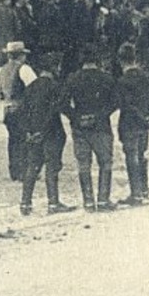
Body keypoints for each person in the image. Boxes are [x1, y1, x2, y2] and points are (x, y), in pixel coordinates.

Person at [57, 46, 123, 212]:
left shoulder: (73, 79)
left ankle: (88, 201)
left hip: (80, 127)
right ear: (98, 61)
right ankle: (103, 199)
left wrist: (76, 117)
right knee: (105, 162)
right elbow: (116, 102)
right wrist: (100, 115)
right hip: (101, 126)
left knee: (84, 164)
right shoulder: (106, 78)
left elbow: (62, 104)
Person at [16, 61, 72, 215]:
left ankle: (25, 203)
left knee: (32, 167)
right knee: (52, 167)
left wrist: (28, 131)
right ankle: (53, 203)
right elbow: (57, 109)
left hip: (33, 134)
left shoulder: (30, 87)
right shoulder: (55, 87)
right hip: (52, 132)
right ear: (53, 69)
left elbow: (22, 112)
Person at [115, 43, 149, 204]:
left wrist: (142, 118)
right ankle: (144, 189)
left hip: (130, 124)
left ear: (120, 61)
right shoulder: (145, 77)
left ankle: (136, 193)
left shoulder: (123, 81)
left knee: (131, 158)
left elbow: (127, 106)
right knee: (141, 156)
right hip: (145, 125)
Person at [0, 40, 39, 181]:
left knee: (13, 140)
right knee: (26, 139)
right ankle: (25, 171)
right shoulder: (24, 69)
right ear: (21, 56)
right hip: (23, 108)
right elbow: (35, 86)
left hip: (7, 108)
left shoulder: (1, 70)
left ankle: (15, 171)